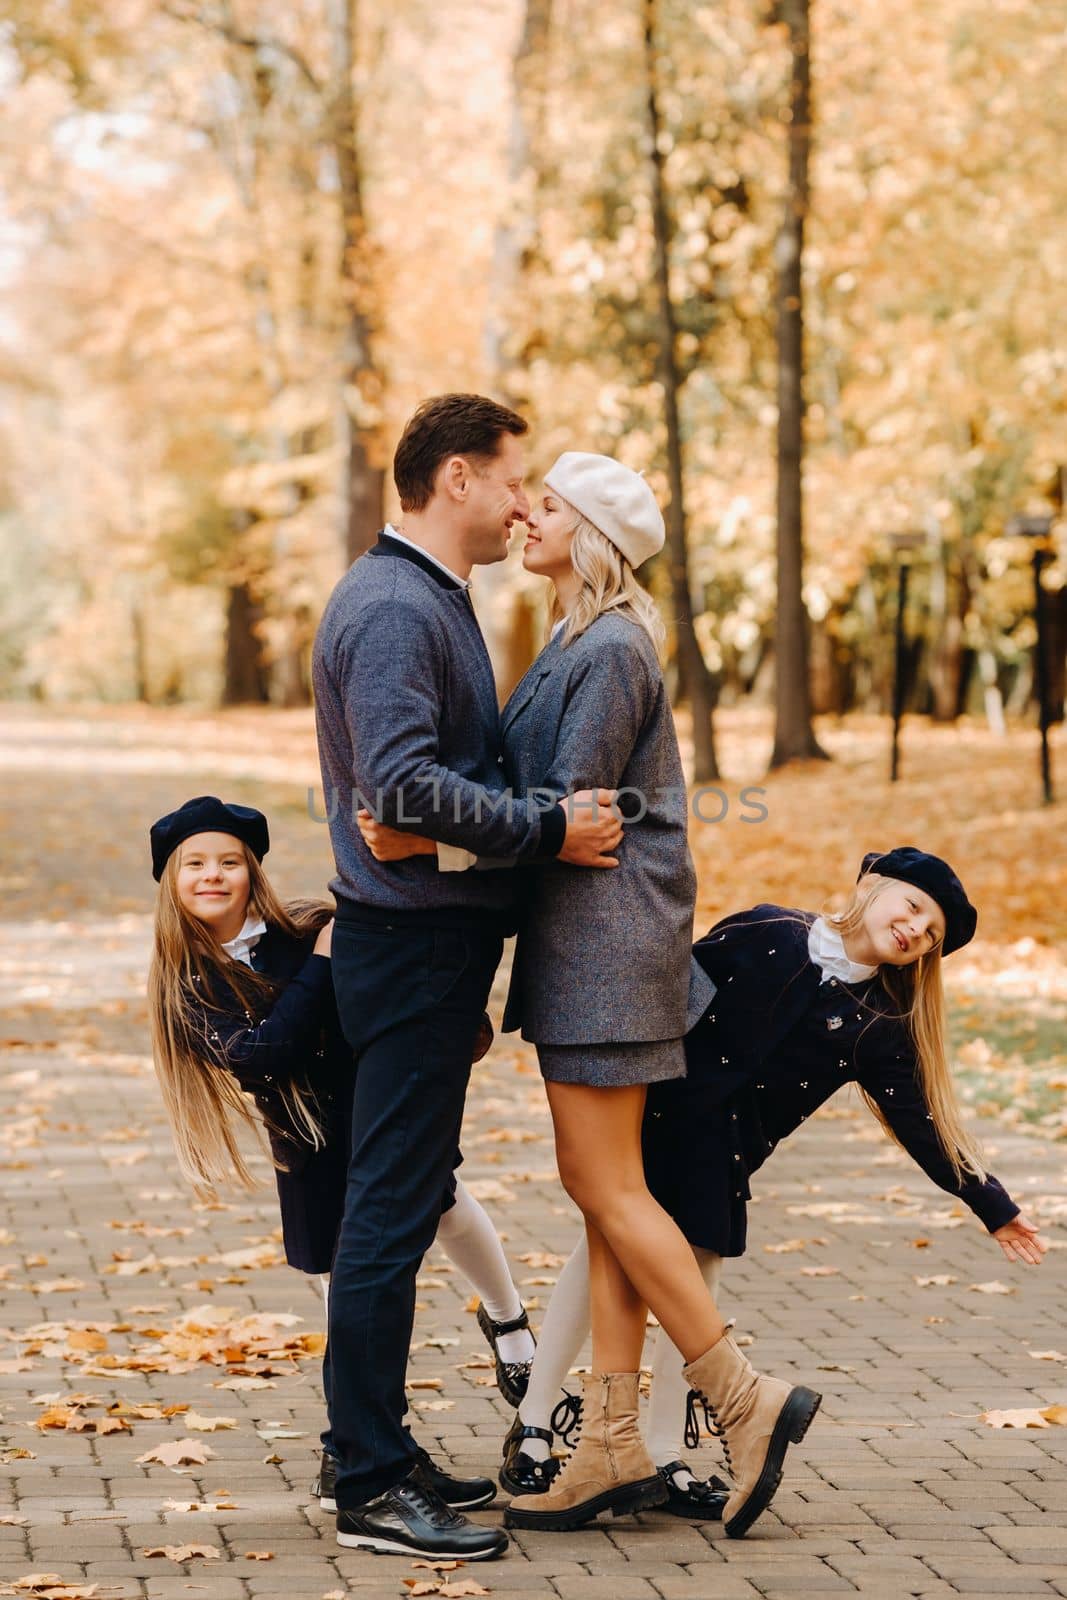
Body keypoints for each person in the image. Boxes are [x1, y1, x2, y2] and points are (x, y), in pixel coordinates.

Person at [357, 452, 821, 1542]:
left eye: (550, 505)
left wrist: (429, 842)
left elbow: (561, 823)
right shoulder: (573, 638)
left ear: (596, 533)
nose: (528, 513)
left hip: (610, 951)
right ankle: (612, 1436)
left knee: (605, 1185)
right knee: (605, 1195)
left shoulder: (609, 648)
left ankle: (743, 1403)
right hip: (590, 950)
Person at [311, 397, 624, 1561]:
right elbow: (397, 785)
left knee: (403, 1193)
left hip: (424, 946)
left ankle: (369, 1445)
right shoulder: (397, 605)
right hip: (410, 954)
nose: (519, 503)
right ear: (454, 477)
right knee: (388, 1215)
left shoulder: (421, 596)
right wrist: (546, 830)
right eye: (510, 479)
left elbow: (409, 794)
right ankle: (370, 1483)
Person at [503, 848, 1046, 1516]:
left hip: (721, 1160)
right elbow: (667, 990)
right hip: (648, 1121)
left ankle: (664, 1455)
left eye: (929, 935)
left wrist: (990, 1204)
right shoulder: (763, 932)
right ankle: (532, 1427)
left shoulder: (874, 1025)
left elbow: (922, 1122)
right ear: (872, 887)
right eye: (911, 907)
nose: (913, 931)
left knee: (689, 1304)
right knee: (593, 1266)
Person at [145, 794, 540, 1526]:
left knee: (444, 1202)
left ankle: (510, 1323)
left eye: (229, 861)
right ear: (170, 882)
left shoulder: (307, 931)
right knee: (352, 1306)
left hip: (378, 1108)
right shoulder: (190, 985)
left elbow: (396, 983)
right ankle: (360, 1450)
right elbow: (265, 1054)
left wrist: (447, 1024)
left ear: (251, 871)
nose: (213, 875)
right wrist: (323, 968)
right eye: (195, 864)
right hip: (312, 1150)